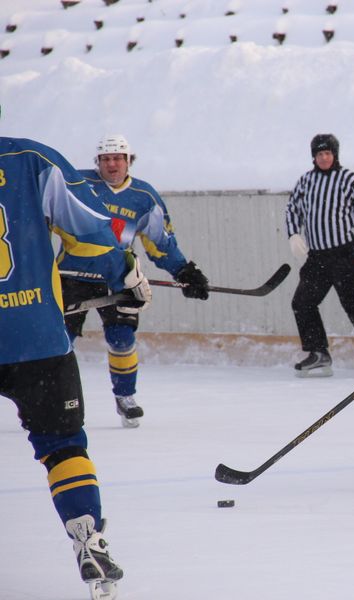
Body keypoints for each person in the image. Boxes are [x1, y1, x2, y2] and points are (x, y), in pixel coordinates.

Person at [1, 133, 152, 599]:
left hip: (39, 335)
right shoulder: (30, 159)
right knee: (63, 446)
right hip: (35, 338)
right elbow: (89, 233)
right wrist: (125, 266)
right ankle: (88, 537)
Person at [59, 134, 209, 428]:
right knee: (61, 341)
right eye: (106, 159)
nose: (112, 164)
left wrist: (184, 272)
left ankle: (125, 397)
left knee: (122, 338)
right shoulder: (76, 184)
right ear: (97, 162)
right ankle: (57, 401)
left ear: (129, 161)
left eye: (118, 158)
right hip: (71, 277)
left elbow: (159, 243)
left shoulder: (144, 197)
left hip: (119, 276)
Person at [285, 133, 354, 377]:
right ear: (314, 157)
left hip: (344, 253)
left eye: (328, 153)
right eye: (319, 154)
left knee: (353, 301)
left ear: (335, 154)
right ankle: (318, 353)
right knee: (302, 302)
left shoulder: (349, 179)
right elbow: (292, 209)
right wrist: (293, 235)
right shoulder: (306, 181)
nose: (324, 157)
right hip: (317, 256)